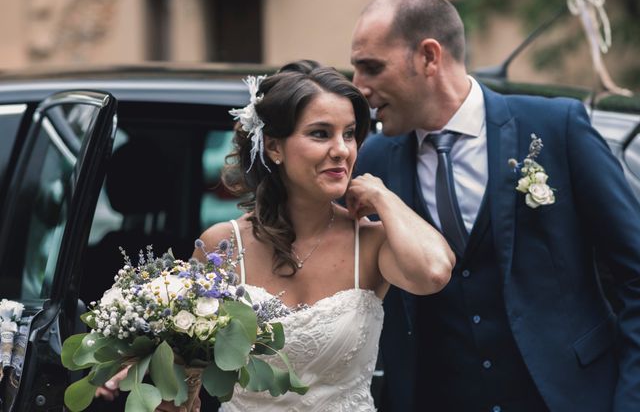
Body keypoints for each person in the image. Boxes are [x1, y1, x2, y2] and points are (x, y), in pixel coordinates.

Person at [95, 60, 453, 412]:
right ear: (273, 147)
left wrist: (383, 196)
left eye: (349, 133)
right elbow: (184, 369)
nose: (342, 150)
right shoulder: (224, 246)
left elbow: (434, 272)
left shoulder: (370, 242)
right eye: (320, 133)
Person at [350, 0, 640, 412]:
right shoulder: (372, 160)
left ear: (429, 57)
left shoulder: (555, 128)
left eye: (371, 68)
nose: (359, 88)